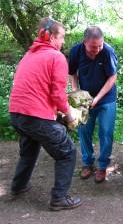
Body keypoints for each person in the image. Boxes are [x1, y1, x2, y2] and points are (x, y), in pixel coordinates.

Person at [9, 17, 82, 211]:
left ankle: (18, 187)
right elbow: (57, 94)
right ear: (50, 37)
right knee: (67, 152)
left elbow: (38, 89)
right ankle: (59, 199)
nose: (63, 42)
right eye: (62, 37)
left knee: (29, 149)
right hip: (35, 116)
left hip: (17, 115)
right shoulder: (56, 57)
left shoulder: (28, 55)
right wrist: (69, 114)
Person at [69, 26, 118, 183]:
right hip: (84, 98)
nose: (97, 49)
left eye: (99, 45)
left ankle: (102, 166)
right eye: (93, 47)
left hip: (106, 98)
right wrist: (76, 92)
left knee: (106, 132)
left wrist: (97, 98)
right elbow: (72, 74)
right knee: (84, 131)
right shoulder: (76, 51)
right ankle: (87, 163)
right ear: (85, 42)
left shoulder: (108, 51)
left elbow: (112, 77)